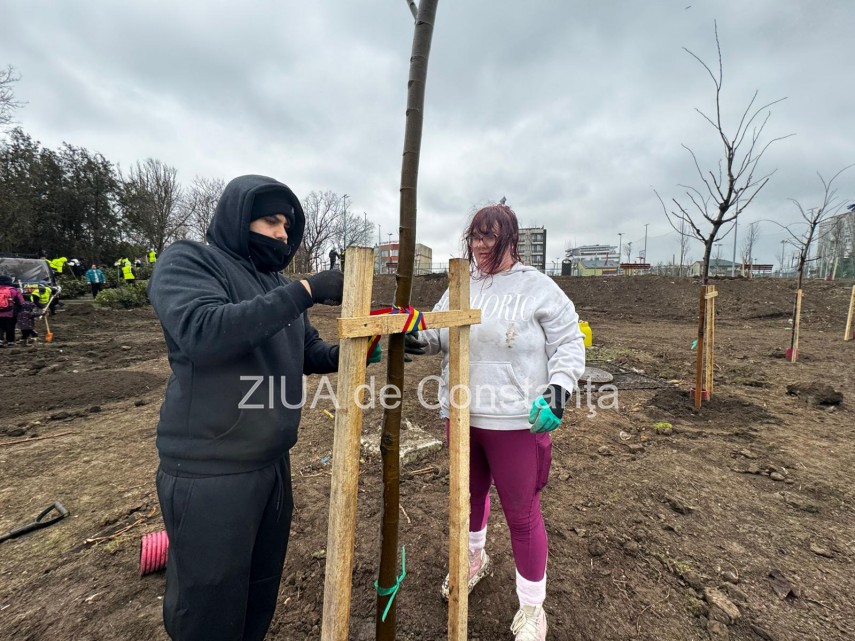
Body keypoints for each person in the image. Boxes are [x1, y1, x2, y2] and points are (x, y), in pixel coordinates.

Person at [147, 174, 351, 641]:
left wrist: (360, 350)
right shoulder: (190, 261)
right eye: (271, 221)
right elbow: (202, 330)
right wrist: (305, 290)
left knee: (258, 590)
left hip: (271, 464)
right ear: (239, 218)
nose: (282, 233)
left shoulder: (275, 283)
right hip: (210, 469)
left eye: (287, 226)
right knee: (208, 603)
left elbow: (309, 352)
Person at [409, 203, 585, 641]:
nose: (480, 245)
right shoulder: (460, 286)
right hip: (463, 414)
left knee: (522, 514)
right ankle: (474, 558)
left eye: (490, 236)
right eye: (475, 236)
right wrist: (412, 334)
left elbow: (569, 342)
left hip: (517, 422)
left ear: (511, 238)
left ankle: (531, 607)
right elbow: (436, 334)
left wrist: (558, 392)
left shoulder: (538, 287)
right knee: (467, 499)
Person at [0, 275, 25, 347]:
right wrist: (19, 310)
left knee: (0, 327)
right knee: (10, 327)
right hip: (11, 313)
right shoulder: (13, 290)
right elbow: (21, 302)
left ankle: (0, 340)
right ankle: (10, 342)